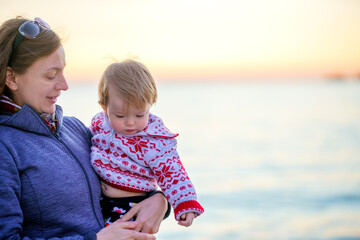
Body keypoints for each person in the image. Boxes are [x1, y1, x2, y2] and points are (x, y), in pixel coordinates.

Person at [0, 16, 170, 240]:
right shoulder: (5, 146)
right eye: (51, 75)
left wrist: (159, 200)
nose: (64, 85)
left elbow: (122, 179)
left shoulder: (76, 129)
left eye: (62, 72)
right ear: (12, 78)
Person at [90, 59, 204, 228]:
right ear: (104, 107)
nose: (130, 122)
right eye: (120, 116)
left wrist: (185, 203)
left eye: (139, 115)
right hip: (101, 203)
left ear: (150, 105)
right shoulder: (99, 124)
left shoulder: (153, 139)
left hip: (134, 206)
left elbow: (172, 171)